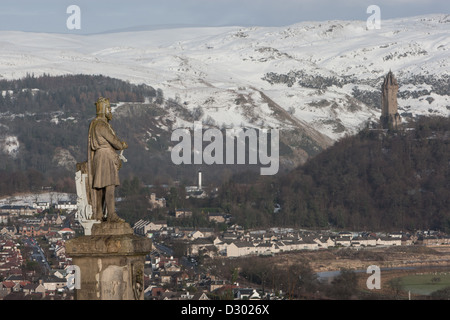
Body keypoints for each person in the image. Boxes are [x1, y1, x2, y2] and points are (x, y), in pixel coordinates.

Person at [87, 97, 128, 222]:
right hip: (105, 158)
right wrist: (122, 145)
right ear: (104, 109)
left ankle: (100, 213)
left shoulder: (95, 125)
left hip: (101, 157)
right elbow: (114, 141)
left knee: (100, 187)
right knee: (109, 186)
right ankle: (111, 214)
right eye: (109, 108)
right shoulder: (101, 125)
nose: (110, 111)